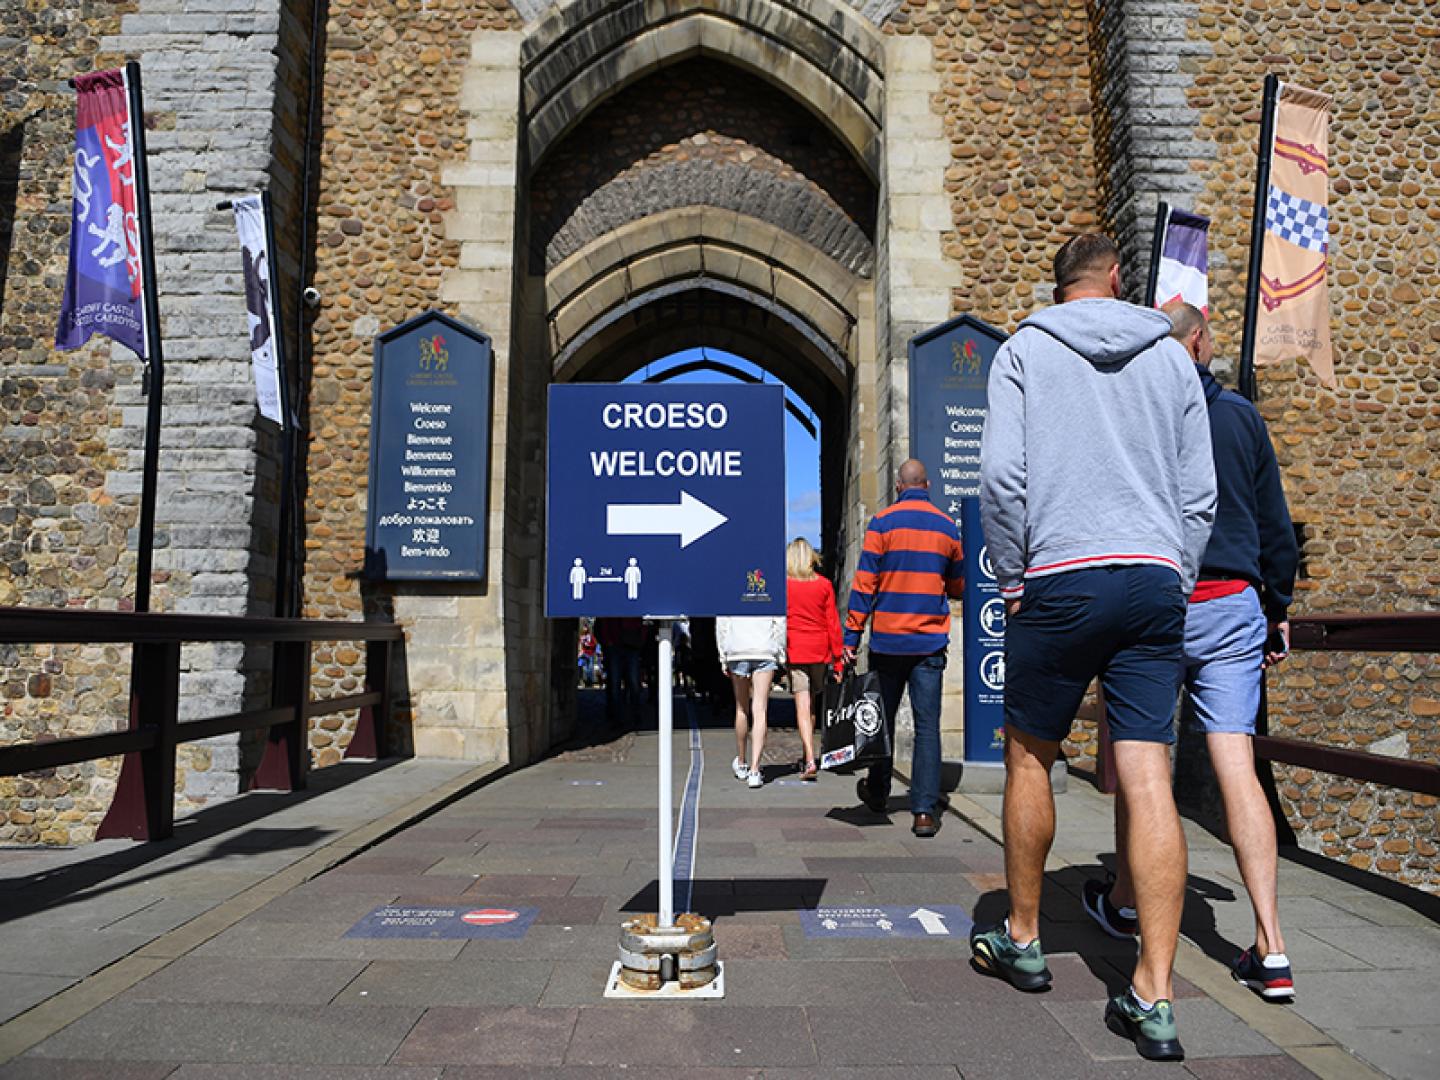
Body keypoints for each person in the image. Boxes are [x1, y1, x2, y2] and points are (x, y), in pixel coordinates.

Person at [973, 234, 1216, 1062]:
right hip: (1151, 577)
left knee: (1030, 756)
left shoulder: (1024, 352)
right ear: (1116, 278)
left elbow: (1001, 481)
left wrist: (1014, 577)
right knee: (1148, 775)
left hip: (1060, 575)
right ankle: (1154, 992)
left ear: (1059, 286)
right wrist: (1175, 575)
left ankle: (1024, 938)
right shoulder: (1171, 356)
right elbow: (1199, 493)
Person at [1084, 302, 1299, 1003]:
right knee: (1237, 762)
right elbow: (1274, 525)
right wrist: (1278, 607)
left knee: (1141, 755)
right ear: (1200, 342)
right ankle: (1271, 946)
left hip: (1160, 599)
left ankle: (1125, 900)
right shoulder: (1240, 417)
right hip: (1234, 602)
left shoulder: (1141, 414)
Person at [842, 458, 964, 837]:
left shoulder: (881, 524)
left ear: (898, 486)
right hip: (928, 644)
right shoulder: (947, 527)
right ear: (927, 486)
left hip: (888, 643)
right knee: (927, 728)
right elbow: (958, 585)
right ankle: (924, 811)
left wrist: (851, 636)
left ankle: (878, 793)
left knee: (882, 721)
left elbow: (864, 584)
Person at [785, 537, 844, 780]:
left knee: (802, 703)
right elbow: (833, 623)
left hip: (795, 649)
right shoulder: (824, 585)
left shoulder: (784, 586)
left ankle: (809, 759)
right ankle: (808, 752)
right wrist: (838, 660)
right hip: (819, 651)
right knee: (811, 702)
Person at [717, 614, 787, 788]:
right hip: (764, 649)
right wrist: (780, 654)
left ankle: (742, 762)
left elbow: (722, 624)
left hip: (737, 650)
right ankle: (755, 770)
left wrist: (723, 656)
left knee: (741, 709)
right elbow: (780, 623)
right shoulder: (770, 595)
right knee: (760, 710)